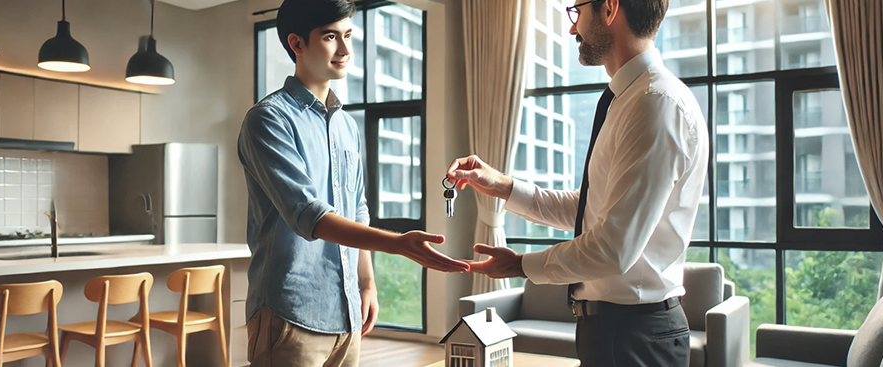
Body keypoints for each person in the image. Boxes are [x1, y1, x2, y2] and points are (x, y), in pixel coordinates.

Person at [447, 0, 709, 365]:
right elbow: (590, 210)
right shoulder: (631, 99)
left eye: (577, 11)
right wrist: (503, 186)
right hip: (613, 329)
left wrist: (520, 265)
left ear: (610, 8)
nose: (573, 28)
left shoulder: (655, 103)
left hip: (633, 336)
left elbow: (612, 249)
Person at [237, 0, 469, 366]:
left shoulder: (346, 124)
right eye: (331, 37)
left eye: (348, 35)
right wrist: (398, 244)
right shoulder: (268, 120)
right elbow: (311, 216)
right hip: (290, 311)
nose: (345, 50)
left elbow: (357, 209)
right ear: (297, 44)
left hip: (346, 311)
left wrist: (367, 282)